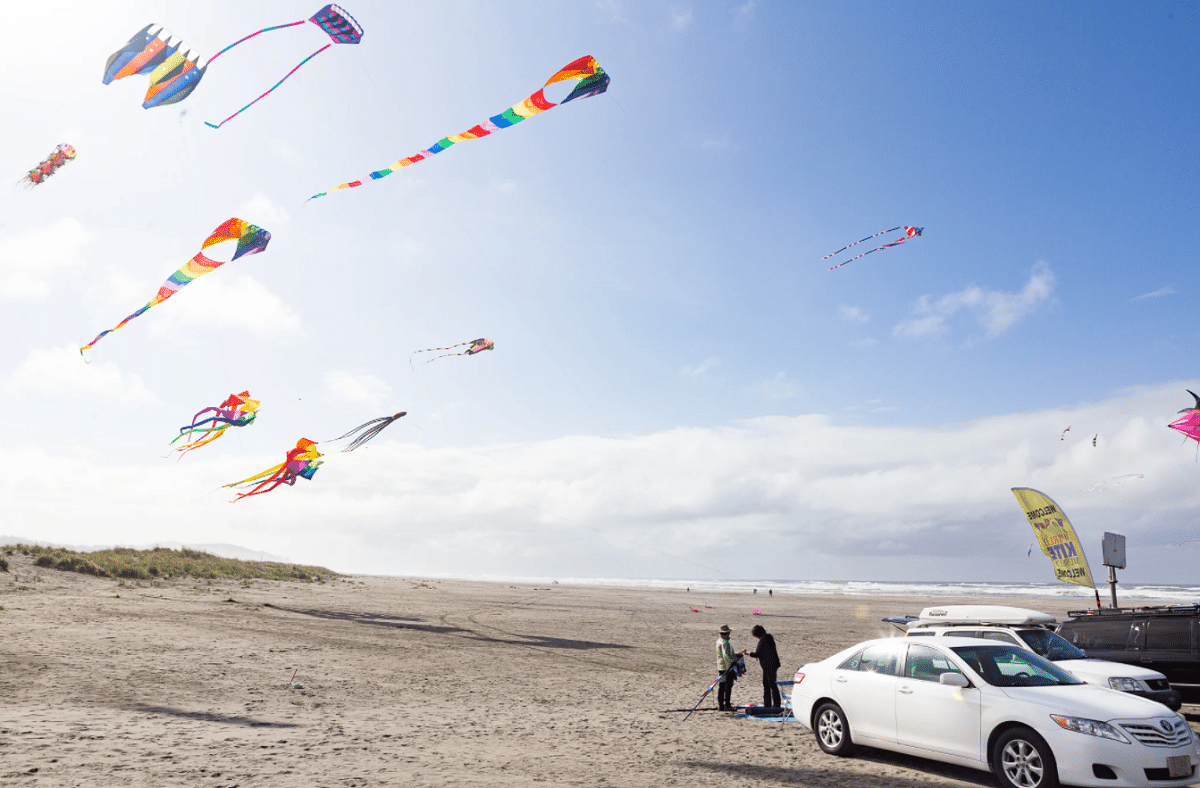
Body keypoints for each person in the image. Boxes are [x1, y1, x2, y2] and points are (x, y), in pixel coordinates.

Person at [743, 624, 781, 709]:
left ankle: (775, 705)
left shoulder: (764, 640)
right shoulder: (768, 638)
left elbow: (757, 654)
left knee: (771, 685)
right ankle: (769, 704)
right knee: (768, 684)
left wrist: (748, 652)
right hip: (770, 665)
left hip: (769, 666)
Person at [715, 624, 738, 711]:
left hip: (721, 667)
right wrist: (733, 662)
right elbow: (726, 656)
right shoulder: (725, 643)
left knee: (722, 687)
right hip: (727, 668)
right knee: (728, 686)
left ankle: (721, 705)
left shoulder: (719, 641)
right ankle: (727, 705)